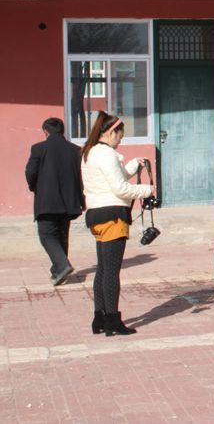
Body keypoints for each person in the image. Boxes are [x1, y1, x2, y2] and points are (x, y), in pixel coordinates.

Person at [81, 112, 155, 336]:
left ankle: (99, 316)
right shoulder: (107, 155)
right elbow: (120, 188)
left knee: (102, 269)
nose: (120, 141)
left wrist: (133, 165)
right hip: (113, 215)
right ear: (111, 132)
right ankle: (112, 319)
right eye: (120, 137)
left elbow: (114, 177)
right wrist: (147, 190)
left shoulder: (91, 152)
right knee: (112, 272)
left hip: (97, 214)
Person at [25, 117, 84, 287]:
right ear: (62, 131)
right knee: (62, 234)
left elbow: (30, 172)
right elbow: (79, 176)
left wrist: (34, 187)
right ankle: (59, 271)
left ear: (45, 132)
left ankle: (63, 265)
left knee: (47, 235)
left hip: (47, 201)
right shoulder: (75, 150)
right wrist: (80, 199)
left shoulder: (38, 148)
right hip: (69, 201)